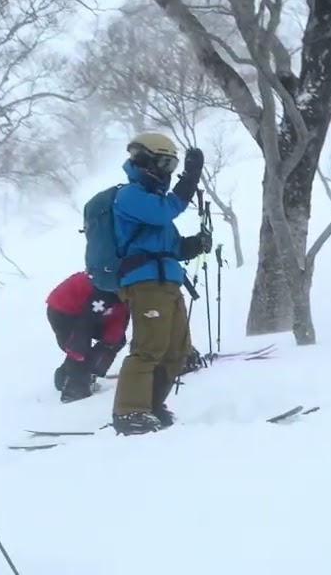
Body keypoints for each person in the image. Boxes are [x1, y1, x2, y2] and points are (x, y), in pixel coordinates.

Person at [110, 133, 210, 436]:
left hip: (167, 282)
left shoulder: (154, 202)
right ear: (144, 159)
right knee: (149, 346)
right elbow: (165, 211)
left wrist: (195, 245)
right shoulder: (130, 196)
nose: (167, 170)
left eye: (173, 164)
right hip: (145, 283)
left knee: (176, 350)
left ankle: (150, 406)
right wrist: (189, 179)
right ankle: (129, 412)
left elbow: (173, 246)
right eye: (164, 162)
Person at [45, 271, 131, 403]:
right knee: (79, 345)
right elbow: (83, 329)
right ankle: (74, 389)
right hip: (63, 310)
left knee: (115, 340)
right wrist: (78, 352)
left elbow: (116, 328)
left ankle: (80, 374)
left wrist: (110, 343)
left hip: (95, 308)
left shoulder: (124, 295)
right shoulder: (105, 286)